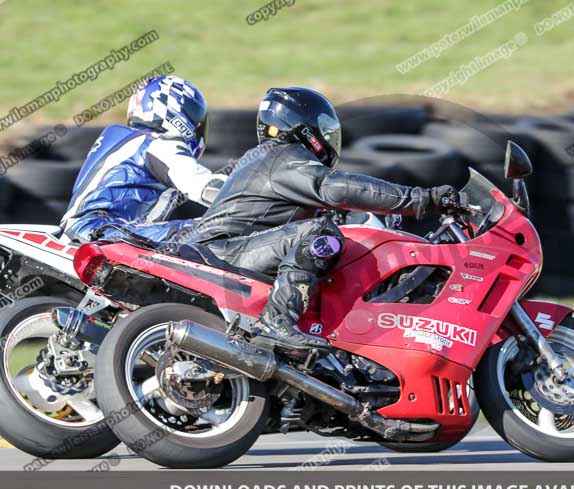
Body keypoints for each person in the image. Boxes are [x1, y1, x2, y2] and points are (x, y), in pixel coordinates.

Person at [188, 87, 458, 351]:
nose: (328, 137)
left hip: (227, 250)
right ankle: (276, 320)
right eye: (324, 128)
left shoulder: (268, 160)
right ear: (304, 128)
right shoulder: (284, 157)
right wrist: (421, 198)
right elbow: (337, 187)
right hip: (225, 252)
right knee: (320, 234)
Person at [60, 76, 227, 243]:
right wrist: (243, 198)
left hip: (87, 232)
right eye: (193, 112)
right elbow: (199, 184)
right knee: (211, 228)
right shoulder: (156, 144)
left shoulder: (126, 140)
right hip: (100, 232)